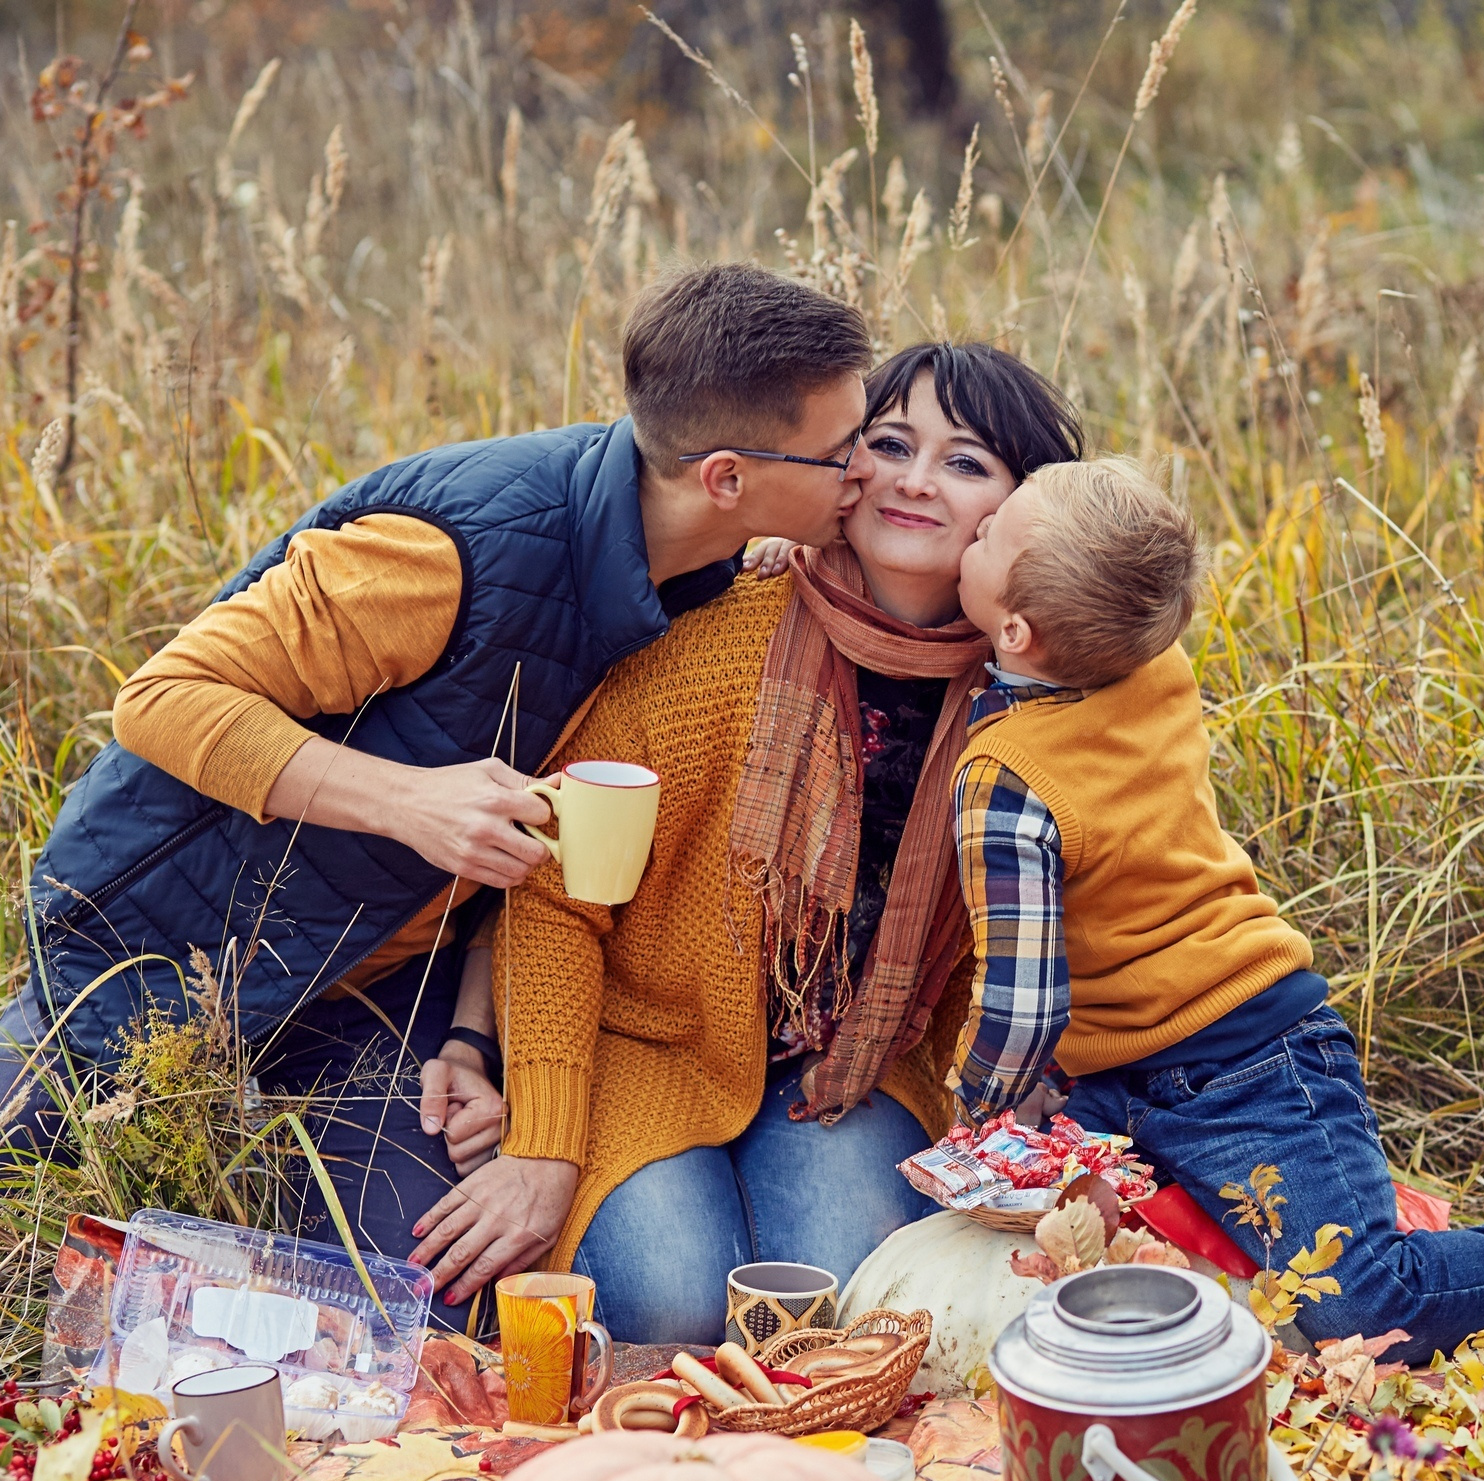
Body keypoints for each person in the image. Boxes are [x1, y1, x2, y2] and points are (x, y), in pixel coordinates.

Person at [0, 266, 877, 1320]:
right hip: (159, 945)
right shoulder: (449, 555)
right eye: (844, 452)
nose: (869, 470)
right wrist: (409, 802)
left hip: (375, 991)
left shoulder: (699, 574)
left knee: (427, 1303)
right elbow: (161, 699)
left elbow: (531, 859)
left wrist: (470, 1039)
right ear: (725, 476)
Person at [412, 344, 1084, 1340]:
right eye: (890, 444)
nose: (913, 480)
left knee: (837, 1305)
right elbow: (555, 898)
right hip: (650, 1042)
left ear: (1021, 509)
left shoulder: (1026, 693)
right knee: (669, 1302)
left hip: (861, 1062)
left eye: (964, 462)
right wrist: (542, 1145)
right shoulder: (718, 640)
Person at [947, 457, 1484, 1362]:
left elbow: (1024, 1006)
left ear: (1015, 629)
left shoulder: (1007, 781)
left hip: (1250, 1063)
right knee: (1068, 1266)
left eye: (988, 533)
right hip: (1118, 1083)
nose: (974, 525)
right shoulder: (1147, 658)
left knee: (1360, 1306)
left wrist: (973, 1113)